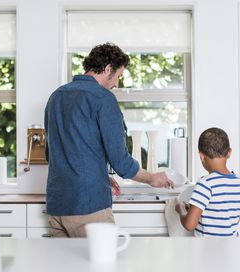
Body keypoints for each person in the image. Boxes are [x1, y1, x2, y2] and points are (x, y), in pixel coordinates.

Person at [44, 43, 174, 237]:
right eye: (118, 76)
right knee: (102, 266)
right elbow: (120, 161)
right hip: (89, 207)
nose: (117, 84)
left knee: (65, 267)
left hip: (57, 206)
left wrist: (100, 174)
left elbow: (53, 153)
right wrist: (151, 177)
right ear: (107, 69)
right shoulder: (103, 99)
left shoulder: (56, 97)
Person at [175, 127, 240, 237]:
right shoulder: (239, 183)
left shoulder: (205, 183)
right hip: (232, 248)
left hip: (208, 250)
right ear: (229, 152)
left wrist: (181, 209)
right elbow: (234, 218)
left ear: (201, 156)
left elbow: (189, 225)